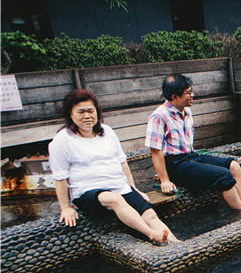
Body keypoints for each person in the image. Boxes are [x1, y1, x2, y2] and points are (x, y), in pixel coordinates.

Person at [51, 89, 178, 244]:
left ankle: (176, 244)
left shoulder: (107, 131)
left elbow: (122, 162)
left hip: (118, 186)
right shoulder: (62, 140)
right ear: (70, 114)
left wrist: (133, 188)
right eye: (81, 112)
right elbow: (60, 178)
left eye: (91, 111)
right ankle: (151, 234)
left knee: (150, 214)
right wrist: (65, 207)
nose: (87, 116)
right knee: (114, 199)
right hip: (86, 192)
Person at [147, 74, 241, 215]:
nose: (192, 95)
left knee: (234, 165)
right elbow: (155, 151)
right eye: (188, 93)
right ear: (174, 96)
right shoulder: (159, 116)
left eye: (191, 91)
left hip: (191, 157)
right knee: (223, 175)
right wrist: (164, 180)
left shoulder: (187, 111)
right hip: (175, 165)